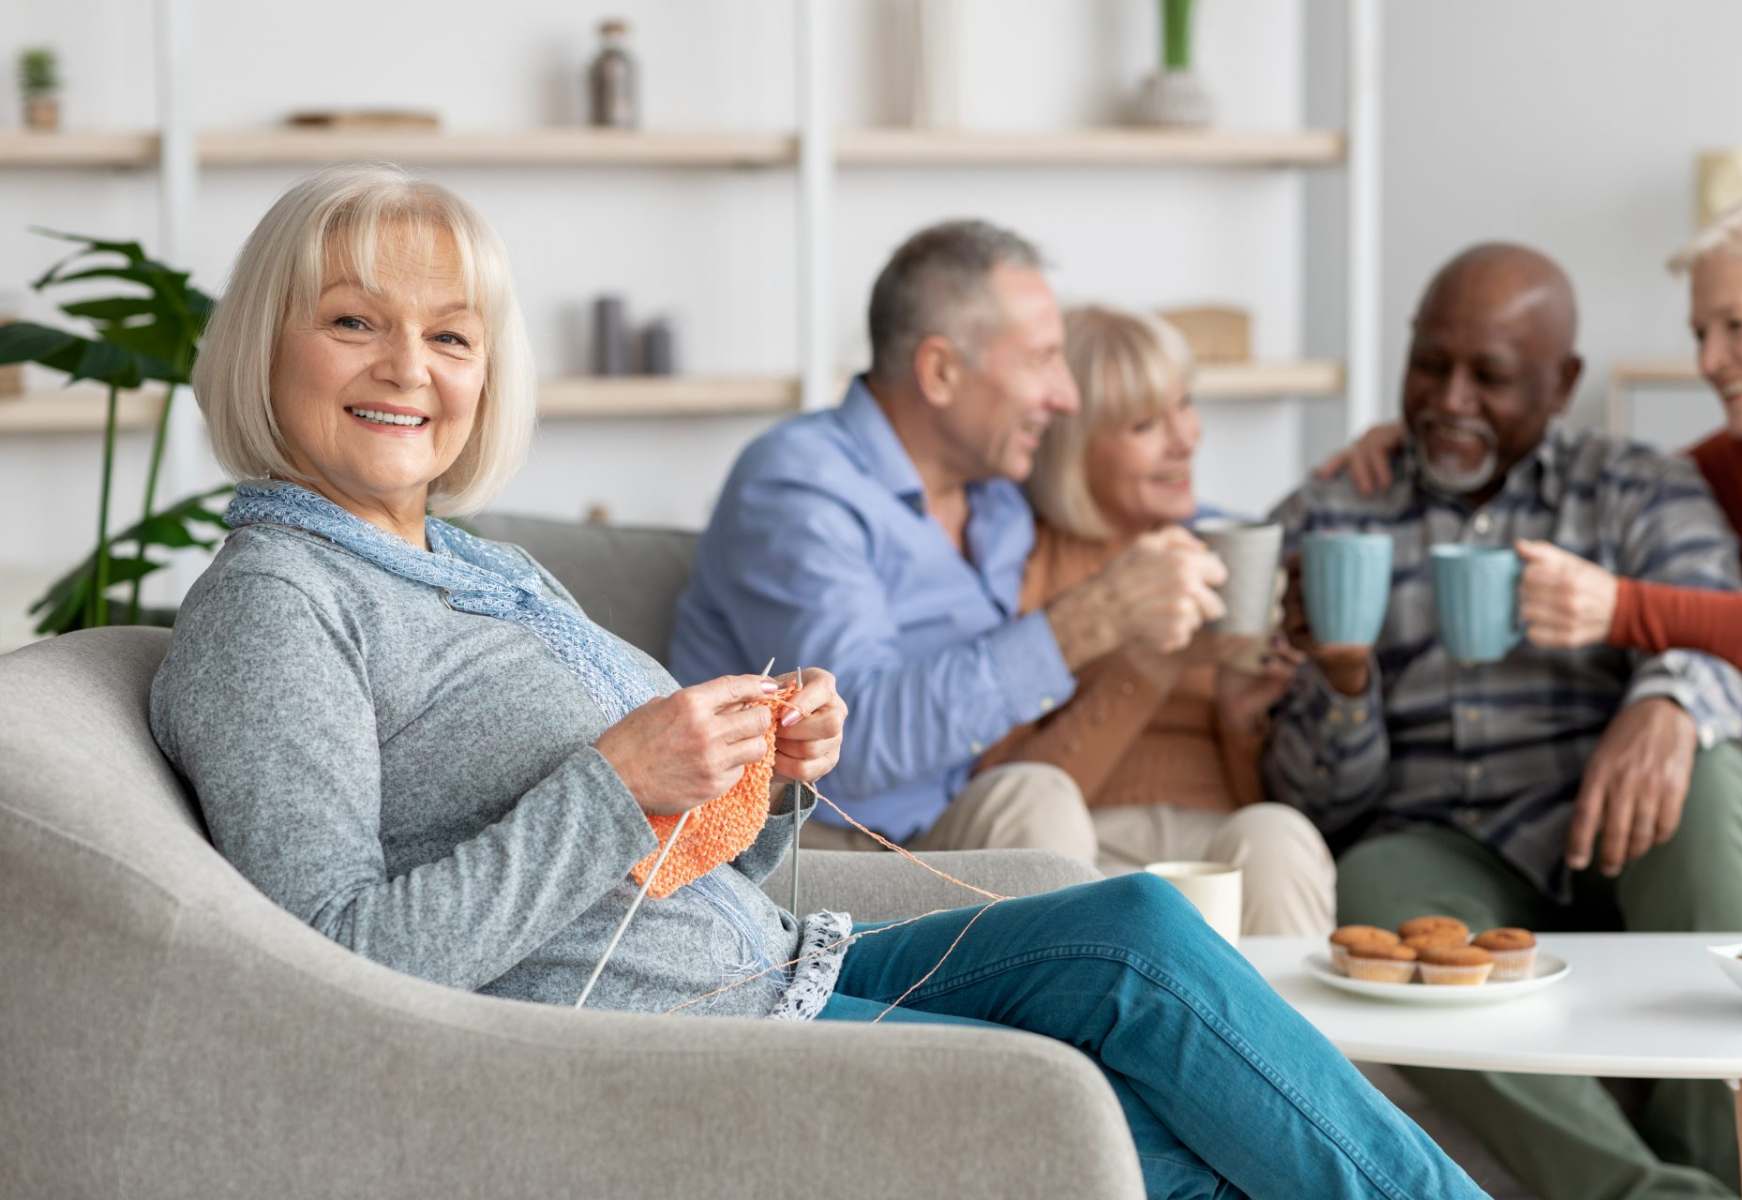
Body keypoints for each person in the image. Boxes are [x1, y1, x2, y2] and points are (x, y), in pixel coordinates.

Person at [148, 165, 1489, 1200]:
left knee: (1131, 932)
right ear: (268, 344)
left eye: (449, 335)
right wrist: (617, 786)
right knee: (1135, 1132)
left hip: (761, 961)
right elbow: (326, 973)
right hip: (662, 1046)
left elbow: (663, 861)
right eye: (351, 323)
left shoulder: (470, 562)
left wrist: (762, 786)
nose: (408, 369)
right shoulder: (279, 605)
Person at [1265, 241, 1742, 1200]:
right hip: (1438, 838)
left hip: (1618, 821)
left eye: (1490, 377)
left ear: (1562, 383)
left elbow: (1712, 621)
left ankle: (1720, 1158)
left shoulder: (1634, 484)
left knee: (1709, 783)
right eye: (1430, 364)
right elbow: (1314, 795)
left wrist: (1667, 702)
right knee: (1374, 880)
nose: (1451, 399)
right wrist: (1340, 686)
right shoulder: (1336, 509)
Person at [671, 221, 1229, 863]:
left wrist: (1319, 511)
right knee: (1036, 800)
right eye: (1043, 360)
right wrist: (1094, 617)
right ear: (939, 371)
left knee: (1263, 843)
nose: (1065, 397)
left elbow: (1129, 496)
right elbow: (853, 747)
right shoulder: (797, 488)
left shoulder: (997, 489)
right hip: (826, 845)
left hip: (965, 825)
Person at [1321, 197, 1742, 923]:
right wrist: (1438, 434)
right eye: (1701, 332)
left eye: (1736, 326)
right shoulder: (1720, 467)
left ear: (1561, 383)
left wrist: (1654, 672)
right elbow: (1688, 555)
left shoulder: (1667, 477)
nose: (1707, 360)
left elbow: (1705, 615)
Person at [977, 304, 1334, 935]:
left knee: (1279, 833)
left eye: (1186, 405)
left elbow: (1250, 796)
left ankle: (1279, 1037)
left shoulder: (1224, 550)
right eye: (1146, 424)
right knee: (1037, 804)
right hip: (1082, 835)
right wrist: (1148, 664)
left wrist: (1237, 718)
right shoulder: (1022, 560)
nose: (1187, 438)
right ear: (1073, 447)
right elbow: (1004, 787)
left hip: (1211, 836)